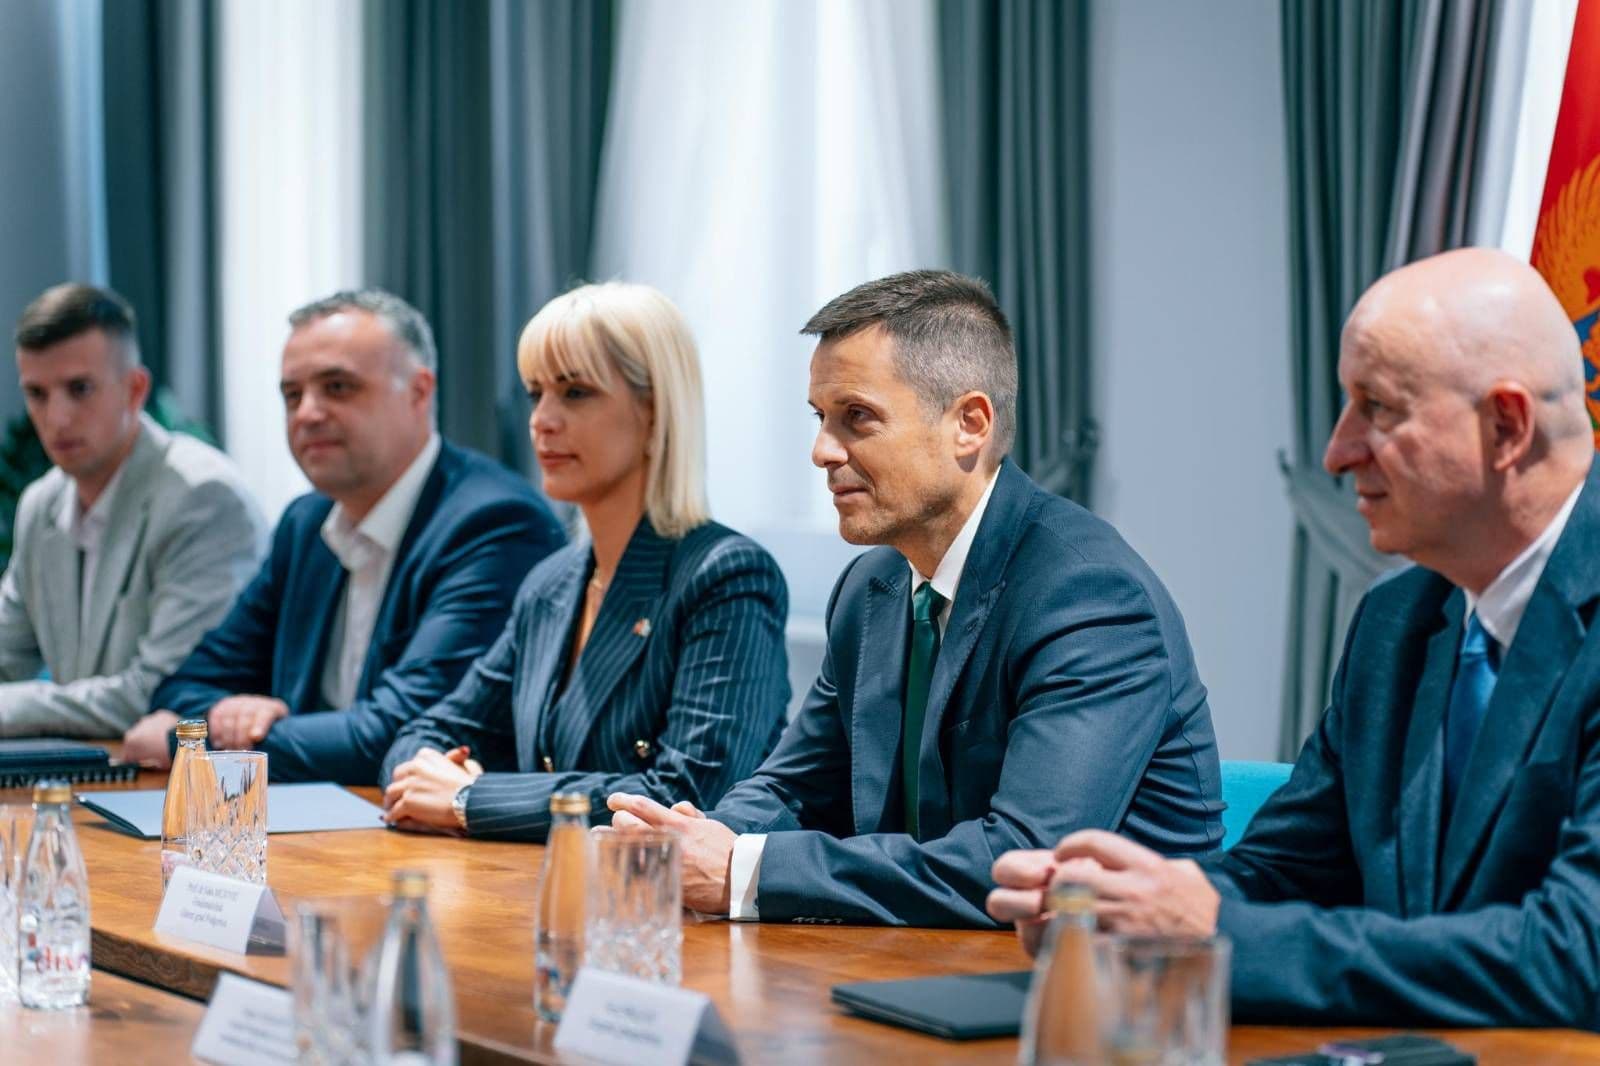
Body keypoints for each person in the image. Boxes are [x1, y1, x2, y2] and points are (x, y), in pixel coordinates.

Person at [989, 248, 1600, 1028]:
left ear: (1506, 427)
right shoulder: (1397, 622)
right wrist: (1125, 913)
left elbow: (1575, 958)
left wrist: (1217, 934)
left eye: (1377, 408)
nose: (1337, 453)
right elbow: (1286, 869)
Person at [609, 269, 1222, 927]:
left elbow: (1021, 859)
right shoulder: (870, 586)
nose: (821, 451)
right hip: (923, 960)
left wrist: (741, 870)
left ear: (969, 425)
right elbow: (794, 787)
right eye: (820, 417)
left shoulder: (1089, 596)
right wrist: (693, 840)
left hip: (1095, 976)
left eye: (857, 417)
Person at [379, 283, 790, 840]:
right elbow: (430, 730)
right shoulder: (551, 583)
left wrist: (469, 799)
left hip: (661, 897)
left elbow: (688, 796)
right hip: (547, 883)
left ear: (655, 412)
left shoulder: (727, 575)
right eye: (535, 393)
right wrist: (425, 775)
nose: (542, 420)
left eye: (575, 392)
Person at [122, 289, 565, 783]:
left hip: (427, 824)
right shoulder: (305, 524)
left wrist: (188, 740)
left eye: (337, 387)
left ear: (419, 392)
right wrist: (231, 714)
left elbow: (400, 732)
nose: (307, 413)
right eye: (292, 395)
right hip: (307, 815)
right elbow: (185, 683)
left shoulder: (493, 522)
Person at [0, 283, 264, 738]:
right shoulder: (40, 504)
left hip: (182, 776)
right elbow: (7, 656)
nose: (56, 418)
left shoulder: (204, 496)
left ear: (135, 389)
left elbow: (164, 693)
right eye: (37, 394)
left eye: (79, 389)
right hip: (85, 769)